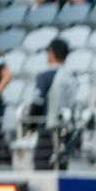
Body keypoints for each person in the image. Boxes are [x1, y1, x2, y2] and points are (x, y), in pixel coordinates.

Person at [31, 40, 79, 172]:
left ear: (51, 53)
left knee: (42, 170)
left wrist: (30, 123)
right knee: (61, 172)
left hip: (48, 132)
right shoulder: (72, 77)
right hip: (66, 133)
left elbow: (37, 102)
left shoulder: (45, 76)